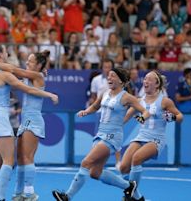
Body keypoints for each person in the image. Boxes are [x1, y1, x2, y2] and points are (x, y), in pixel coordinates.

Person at [52, 68, 150, 201]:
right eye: (109, 76)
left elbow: (145, 111)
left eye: (113, 76)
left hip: (112, 136)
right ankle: (129, 186)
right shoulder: (105, 92)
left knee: (86, 162)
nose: (109, 78)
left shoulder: (127, 97)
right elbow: (95, 106)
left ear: (121, 81)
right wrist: (85, 111)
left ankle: (67, 196)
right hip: (100, 134)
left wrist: (142, 118)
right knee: (95, 172)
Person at [0, 45, 58, 201]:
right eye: (5, 52)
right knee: (13, 159)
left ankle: (26, 193)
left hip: (28, 120)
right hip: (4, 118)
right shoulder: (10, 74)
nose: (26, 63)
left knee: (20, 158)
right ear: (0, 56)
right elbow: (17, 76)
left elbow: (15, 71)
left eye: (30, 61)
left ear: (39, 65)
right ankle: (8, 195)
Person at [119, 71, 183, 201]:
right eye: (145, 79)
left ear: (157, 84)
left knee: (136, 158)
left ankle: (130, 196)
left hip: (156, 140)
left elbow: (181, 117)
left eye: (149, 79)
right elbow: (126, 117)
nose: (145, 81)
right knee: (124, 167)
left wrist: (173, 117)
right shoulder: (138, 100)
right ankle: (138, 197)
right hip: (140, 137)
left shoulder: (165, 101)